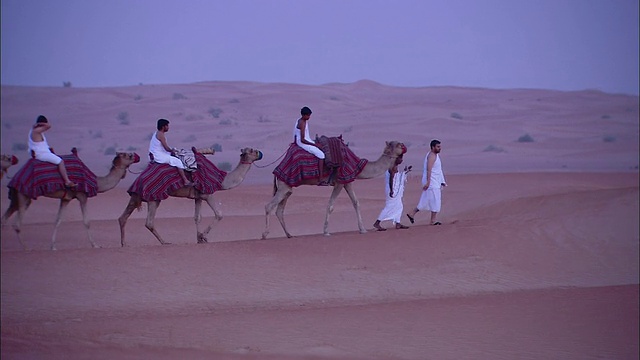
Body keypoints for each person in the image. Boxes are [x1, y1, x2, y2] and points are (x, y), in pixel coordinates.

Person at [28, 115, 77, 187]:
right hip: (41, 154)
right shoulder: (36, 131)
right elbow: (48, 126)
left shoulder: (36, 131)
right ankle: (67, 181)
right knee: (60, 161)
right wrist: (41, 124)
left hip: (43, 152)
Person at [406, 139, 446, 225]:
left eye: (440, 147)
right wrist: (428, 182)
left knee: (426, 200)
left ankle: (412, 214)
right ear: (432, 147)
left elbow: (438, 170)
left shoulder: (435, 156)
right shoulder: (431, 156)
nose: (440, 148)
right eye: (438, 147)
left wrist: (442, 181)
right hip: (432, 182)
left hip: (435, 181)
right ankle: (433, 220)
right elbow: (429, 170)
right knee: (435, 200)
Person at [149, 118, 193, 186]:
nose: (168, 127)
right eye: (167, 126)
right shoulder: (161, 135)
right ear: (163, 126)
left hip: (156, 153)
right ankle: (185, 180)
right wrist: (173, 150)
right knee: (178, 161)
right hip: (158, 156)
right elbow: (166, 148)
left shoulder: (157, 133)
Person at [373, 154, 411, 231]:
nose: (401, 160)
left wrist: (405, 172)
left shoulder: (394, 166)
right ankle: (377, 222)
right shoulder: (393, 167)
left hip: (394, 190)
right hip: (393, 190)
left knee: (399, 206)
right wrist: (391, 190)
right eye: (400, 158)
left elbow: (397, 177)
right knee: (389, 207)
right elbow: (391, 179)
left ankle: (398, 223)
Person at [293, 106, 328, 185]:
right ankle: (320, 179)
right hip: (302, 142)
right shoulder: (302, 123)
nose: (309, 117)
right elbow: (302, 139)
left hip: (306, 140)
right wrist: (314, 145)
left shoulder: (303, 121)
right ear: (304, 115)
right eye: (308, 115)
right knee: (321, 155)